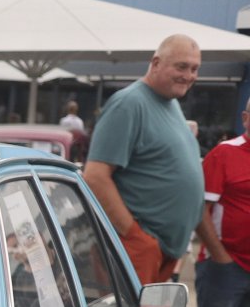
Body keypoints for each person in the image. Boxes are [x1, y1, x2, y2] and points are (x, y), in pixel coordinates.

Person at [84, 35, 204, 285]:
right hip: (139, 250)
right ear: (156, 62)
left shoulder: (170, 103)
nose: (189, 75)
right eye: (181, 66)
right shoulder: (129, 104)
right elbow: (95, 176)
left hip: (160, 252)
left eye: (194, 69)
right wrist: (136, 237)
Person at [179, 97, 250, 307]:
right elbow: (199, 209)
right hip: (225, 265)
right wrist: (220, 255)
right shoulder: (224, 154)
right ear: (245, 118)